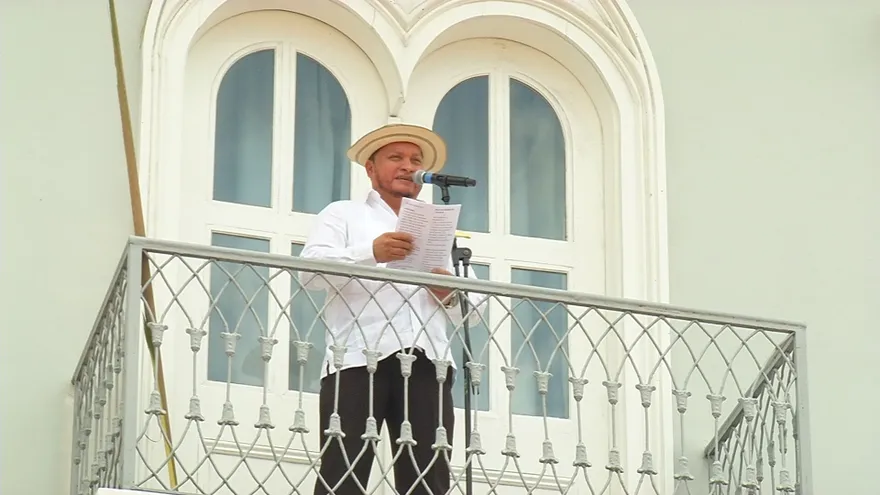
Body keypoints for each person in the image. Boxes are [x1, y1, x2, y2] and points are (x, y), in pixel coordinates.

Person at [299, 123, 485, 495]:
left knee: (427, 478)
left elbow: (475, 314)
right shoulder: (344, 213)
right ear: (370, 168)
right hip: (356, 358)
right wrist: (372, 253)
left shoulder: (438, 228)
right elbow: (310, 272)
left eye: (415, 160)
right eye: (396, 157)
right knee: (343, 471)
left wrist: (446, 292)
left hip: (427, 362)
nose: (408, 166)